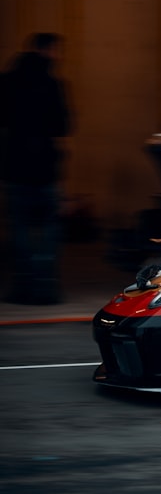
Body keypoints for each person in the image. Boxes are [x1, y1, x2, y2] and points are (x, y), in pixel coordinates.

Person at [1, 32, 72, 305]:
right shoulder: (53, 85)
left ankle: (22, 287)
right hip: (46, 169)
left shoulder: (7, 81)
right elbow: (63, 126)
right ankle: (45, 289)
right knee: (48, 230)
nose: (60, 56)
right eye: (57, 50)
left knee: (19, 230)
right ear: (48, 51)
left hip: (14, 167)